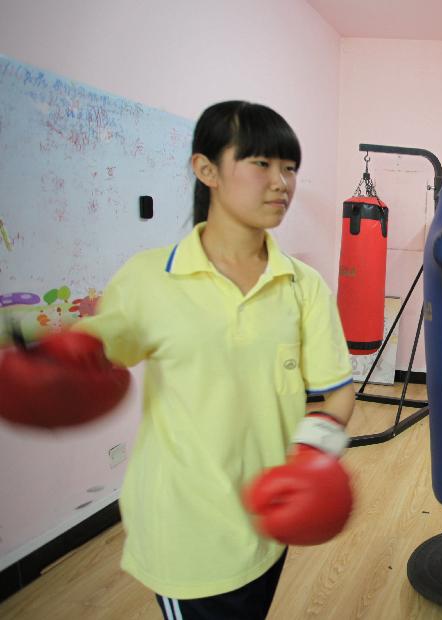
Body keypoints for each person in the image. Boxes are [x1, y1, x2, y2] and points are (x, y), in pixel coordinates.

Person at [2, 101, 355, 619]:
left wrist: (312, 457)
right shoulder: (149, 278)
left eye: (290, 167)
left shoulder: (304, 286)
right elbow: (92, 355)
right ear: (205, 169)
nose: (281, 182)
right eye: (261, 163)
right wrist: (48, 368)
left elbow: (337, 392)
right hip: (185, 529)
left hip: (270, 520)